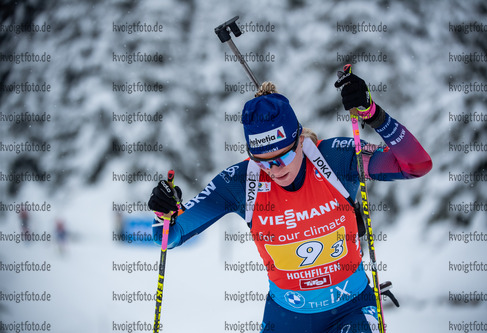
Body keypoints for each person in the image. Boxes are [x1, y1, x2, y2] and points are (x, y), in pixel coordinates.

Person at [148, 69, 432, 333]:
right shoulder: (240, 182)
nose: (276, 169)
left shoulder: (335, 159)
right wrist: (164, 212)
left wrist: (374, 115)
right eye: (264, 161)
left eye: (283, 156)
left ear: (299, 140)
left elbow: (416, 165)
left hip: (351, 310)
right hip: (286, 318)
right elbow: (169, 236)